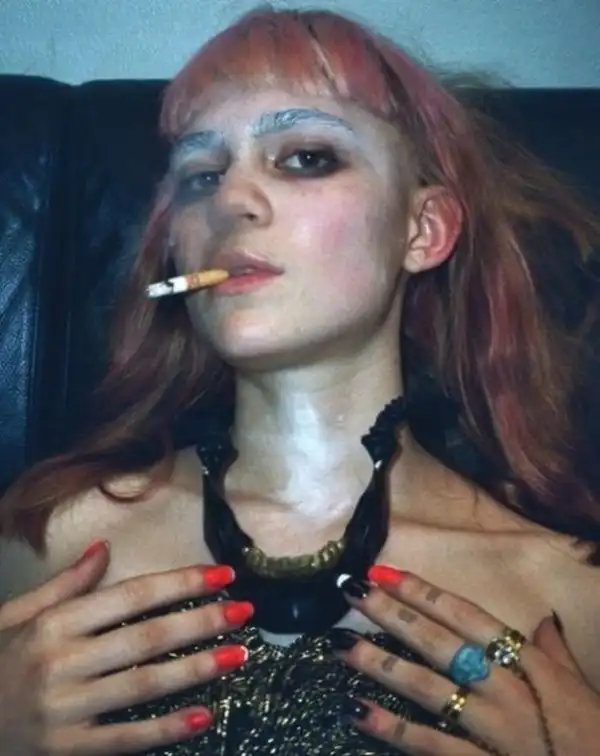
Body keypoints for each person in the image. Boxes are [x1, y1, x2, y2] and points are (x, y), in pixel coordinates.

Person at [1, 6, 600, 755]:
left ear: (422, 229)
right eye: (201, 174)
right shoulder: (46, 541)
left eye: (306, 157)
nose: (231, 201)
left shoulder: (571, 600)